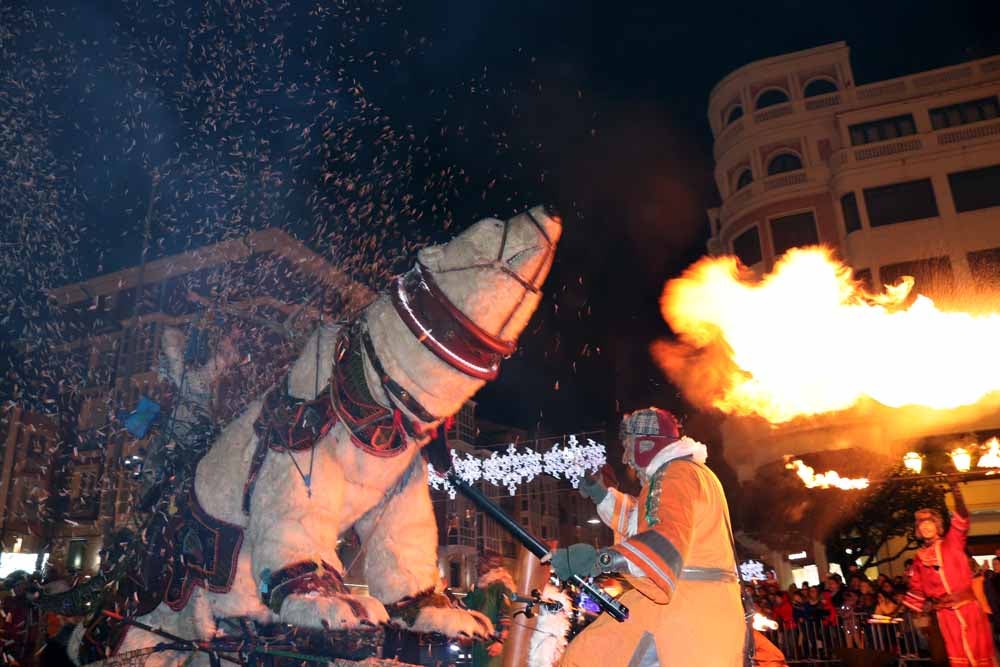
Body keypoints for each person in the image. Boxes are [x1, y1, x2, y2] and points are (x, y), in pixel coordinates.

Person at [553, 407, 752, 666]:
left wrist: (597, 560)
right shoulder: (688, 471)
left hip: (682, 618)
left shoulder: (675, 474)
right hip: (698, 612)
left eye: (628, 446)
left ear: (647, 444)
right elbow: (646, 518)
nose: (625, 458)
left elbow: (662, 540)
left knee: (587, 657)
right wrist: (602, 495)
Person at [903, 483, 997, 666]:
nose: (926, 528)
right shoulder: (919, 557)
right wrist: (908, 611)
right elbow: (917, 587)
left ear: (937, 526)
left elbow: (961, 517)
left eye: (929, 523)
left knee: (977, 652)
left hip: (967, 608)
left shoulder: (952, 543)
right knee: (955, 656)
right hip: (944, 615)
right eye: (922, 525)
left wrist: (957, 494)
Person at [463, 550, 514, 667]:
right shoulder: (479, 588)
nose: (476, 566)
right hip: (480, 641)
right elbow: (461, 606)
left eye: (479, 563)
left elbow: (507, 616)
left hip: (493, 641)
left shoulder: (501, 586)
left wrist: (500, 642)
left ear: (489, 564)